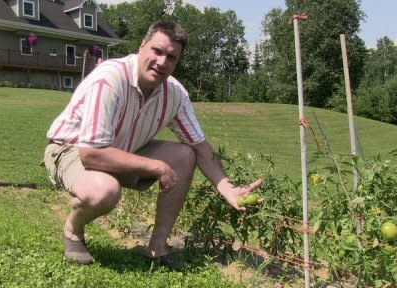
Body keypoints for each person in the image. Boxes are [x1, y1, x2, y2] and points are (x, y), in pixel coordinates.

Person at [43, 20, 262, 267]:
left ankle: (157, 247)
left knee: (184, 155)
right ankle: (73, 230)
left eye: (171, 57)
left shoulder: (174, 94)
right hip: (71, 148)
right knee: (104, 191)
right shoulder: (110, 79)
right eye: (157, 51)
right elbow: (91, 155)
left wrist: (228, 189)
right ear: (142, 46)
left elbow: (201, 148)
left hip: (123, 147)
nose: (162, 62)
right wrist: (156, 167)